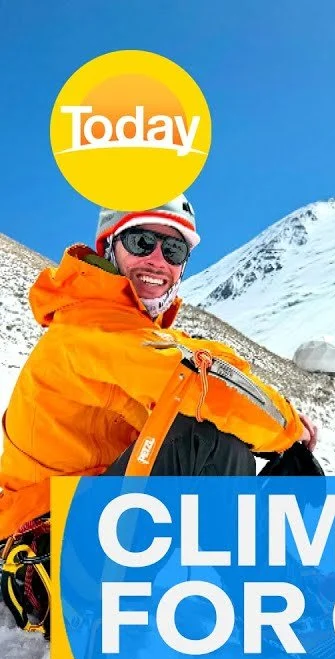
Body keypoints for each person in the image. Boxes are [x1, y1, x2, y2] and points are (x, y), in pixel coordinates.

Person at [0, 196, 317, 634]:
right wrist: (288, 431)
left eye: (173, 249)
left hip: (76, 531)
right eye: (142, 240)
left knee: (214, 429)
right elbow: (197, 383)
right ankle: (286, 608)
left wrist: (275, 415)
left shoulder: (119, 325)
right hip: (49, 556)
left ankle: (281, 590)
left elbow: (198, 361)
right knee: (202, 438)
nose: (157, 259)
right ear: (110, 246)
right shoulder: (92, 328)